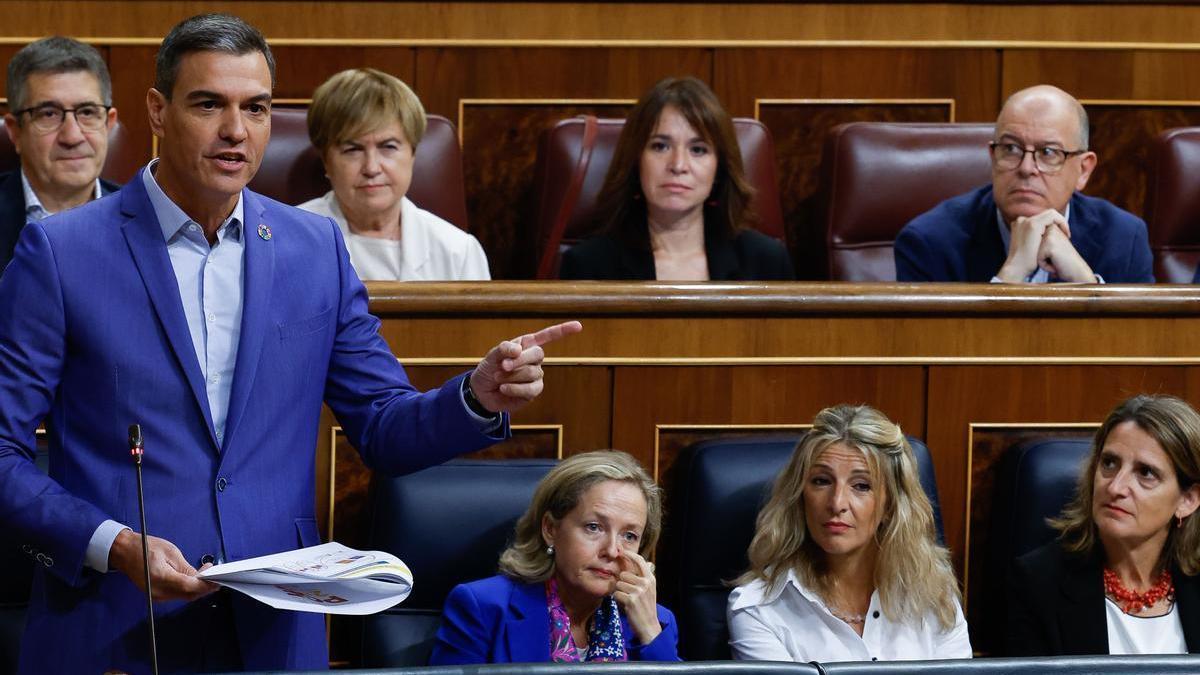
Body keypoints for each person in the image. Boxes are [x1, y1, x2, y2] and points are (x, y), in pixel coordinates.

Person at [0, 14, 579, 674]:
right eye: (209, 104)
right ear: (157, 110)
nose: (235, 130)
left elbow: (385, 427)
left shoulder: (315, 250)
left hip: (274, 633)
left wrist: (474, 397)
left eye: (256, 107)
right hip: (113, 623)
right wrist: (112, 543)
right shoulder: (61, 251)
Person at [727, 404, 971, 662]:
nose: (837, 503)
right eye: (821, 481)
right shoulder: (757, 607)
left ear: (890, 505)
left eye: (861, 486)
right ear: (799, 495)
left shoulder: (934, 593)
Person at [429, 450, 680, 664]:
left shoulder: (656, 622)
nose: (613, 551)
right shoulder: (483, 608)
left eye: (629, 536)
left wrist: (650, 631)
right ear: (550, 529)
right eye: (594, 527)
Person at [895, 85, 1153, 283]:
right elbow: (932, 350)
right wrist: (1010, 275)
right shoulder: (930, 242)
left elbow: (1144, 348)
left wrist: (1086, 286)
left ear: (1083, 170)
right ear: (992, 157)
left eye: (1049, 153)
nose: (1027, 168)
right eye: (1011, 148)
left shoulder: (1123, 238)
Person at [1004, 395, 1200, 655]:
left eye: (1145, 473)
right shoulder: (1038, 585)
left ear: (1187, 500)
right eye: (1109, 463)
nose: (1116, 487)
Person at [558, 76, 793, 281]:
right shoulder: (589, 266)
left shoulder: (766, 262)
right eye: (660, 146)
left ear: (720, 168)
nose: (678, 165)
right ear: (636, 159)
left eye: (698, 149)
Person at [298, 68, 490, 281]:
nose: (371, 168)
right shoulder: (289, 238)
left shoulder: (458, 252)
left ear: (413, 153)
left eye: (388, 146)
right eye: (353, 149)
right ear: (326, 160)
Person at [1, 36, 120, 275]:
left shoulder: (149, 218)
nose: (72, 136)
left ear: (108, 124)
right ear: (15, 131)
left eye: (87, 112)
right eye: (49, 114)